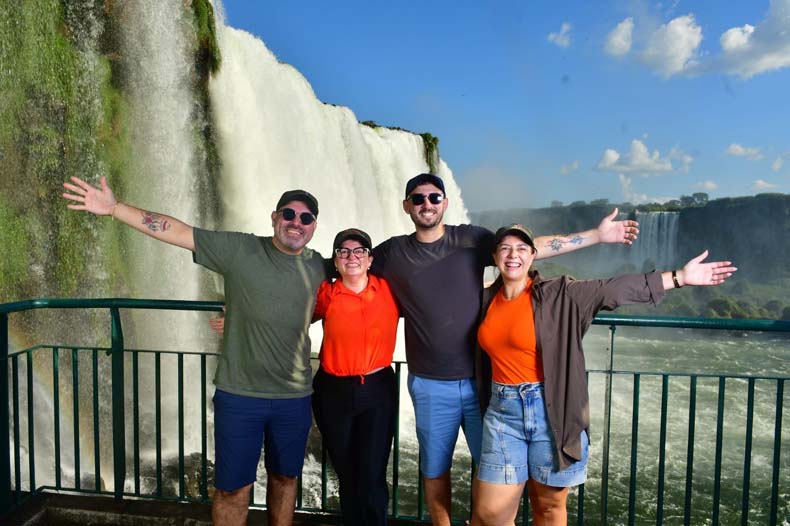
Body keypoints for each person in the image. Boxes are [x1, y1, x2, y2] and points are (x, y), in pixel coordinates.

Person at [370, 173, 640, 525]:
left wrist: (597, 236)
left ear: (445, 203)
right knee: (435, 468)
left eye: (434, 197)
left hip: (485, 384)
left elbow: (526, 248)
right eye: (418, 199)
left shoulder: (470, 239)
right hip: (430, 383)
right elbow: (349, 265)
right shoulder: (392, 252)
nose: (426, 204)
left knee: (494, 471)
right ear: (407, 206)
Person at [62, 176, 328, 526]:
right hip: (240, 395)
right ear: (275, 217)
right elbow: (178, 231)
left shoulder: (320, 266)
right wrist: (115, 209)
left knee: (285, 478)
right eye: (289, 214)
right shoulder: (241, 249)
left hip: (293, 397)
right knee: (232, 489)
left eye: (305, 218)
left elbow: (349, 291)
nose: (296, 222)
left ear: (313, 227)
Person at [471, 224, 736, 526]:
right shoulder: (485, 299)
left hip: (553, 411)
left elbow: (612, 288)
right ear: (495, 256)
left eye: (521, 249)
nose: (513, 255)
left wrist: (679, 277)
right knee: (491, 513)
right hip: (503, 413)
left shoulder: (560, 294)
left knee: (548, 507)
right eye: (505, 248)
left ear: (533, 255)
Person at [311, 228, 400, 526]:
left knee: (372, 473)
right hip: (332, 391)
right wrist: (239, 315)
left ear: (370, 259)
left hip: (376, 390)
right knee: (346, 471)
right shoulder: (326, 294)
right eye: (344, 252)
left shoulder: (388, 290)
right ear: (336, 261)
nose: (352, 257)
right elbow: (289, 316)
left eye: (359, 251)